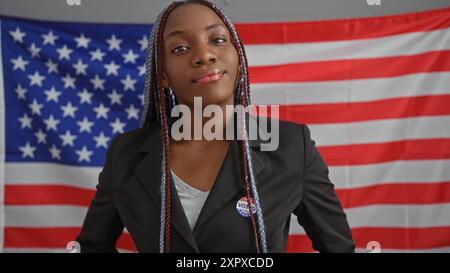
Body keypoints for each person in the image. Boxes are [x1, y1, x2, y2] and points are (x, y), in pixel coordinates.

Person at [76, 0, 355, 253]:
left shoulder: (292, 146)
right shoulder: (125, 154)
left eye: (218, 40)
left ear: (238, 55)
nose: (205, 55)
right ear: (162, 76)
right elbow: (91, 248)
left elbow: (339, 249)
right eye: (180, 48)